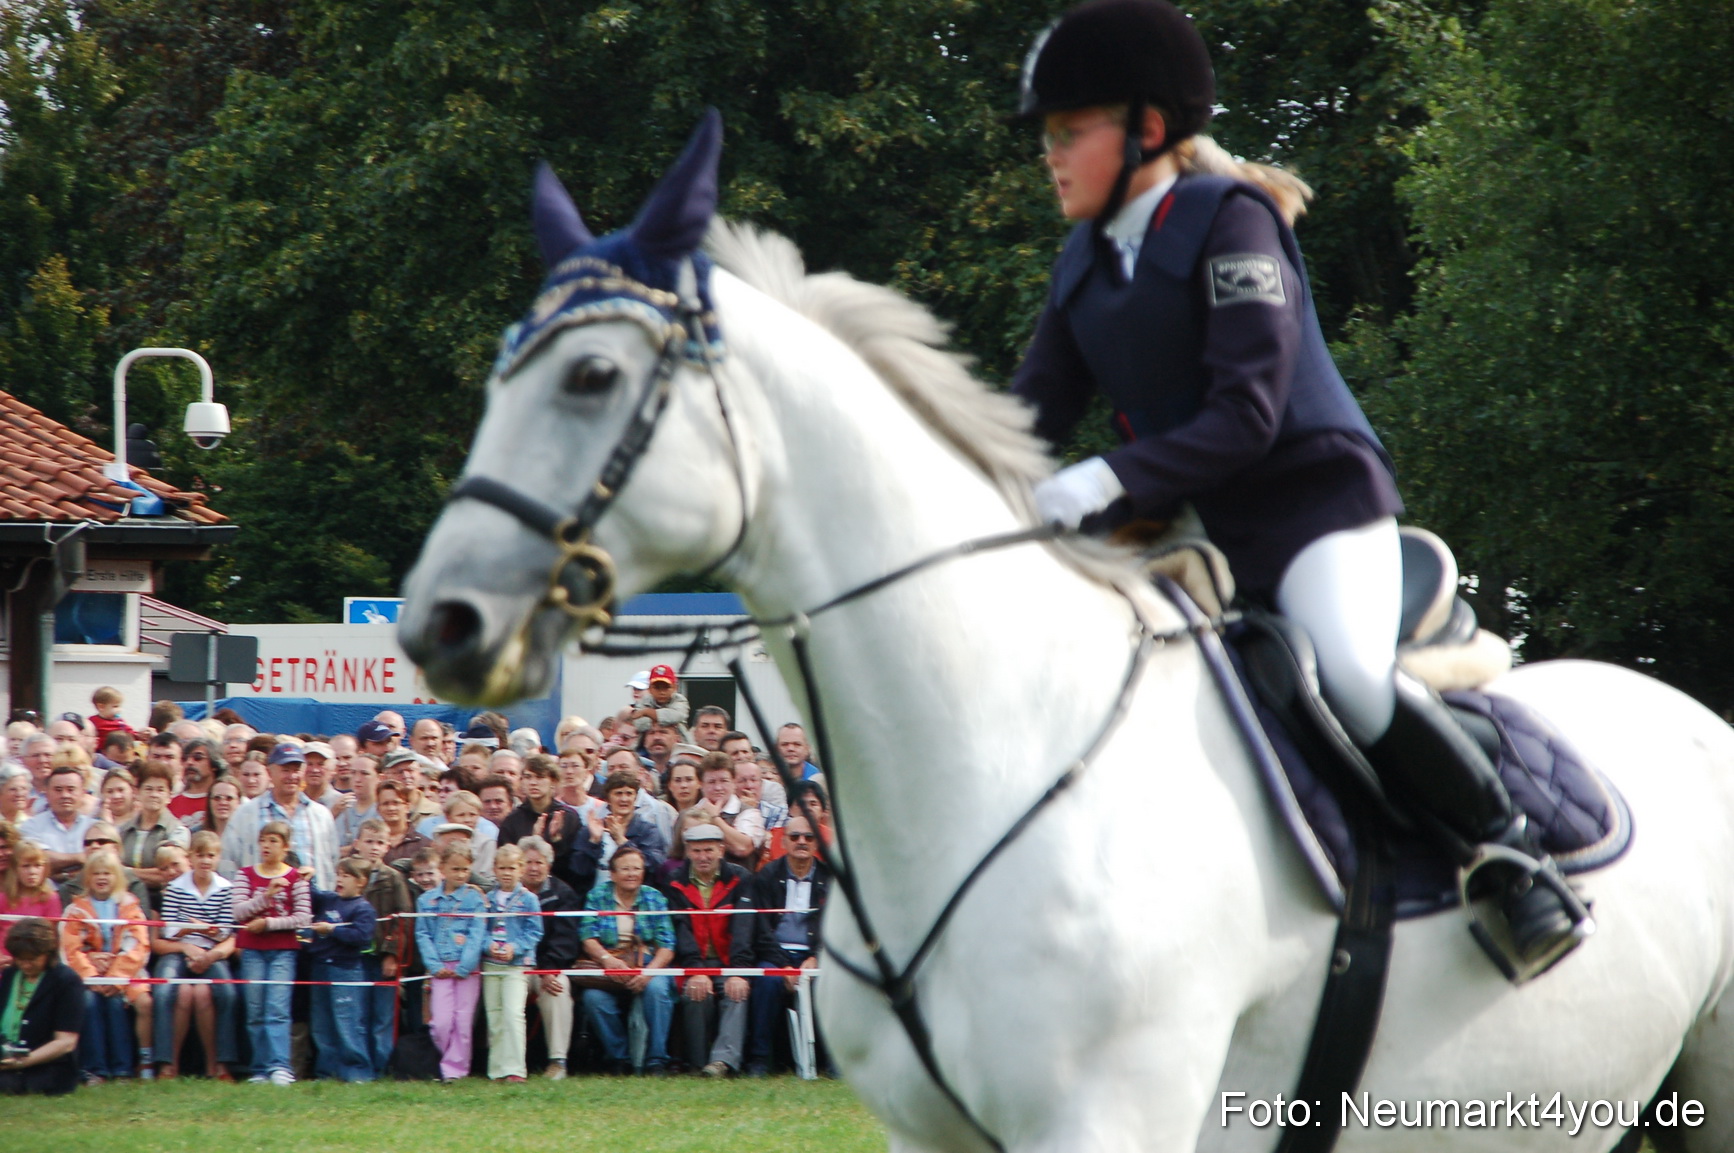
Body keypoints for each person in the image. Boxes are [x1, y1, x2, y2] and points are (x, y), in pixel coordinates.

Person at [1008, 0, 1584, 974]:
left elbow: (1246, 419)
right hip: (1198, 529)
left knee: (1351, 681)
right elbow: (1025, 418)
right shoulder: (1086, 261)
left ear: (1148, 130)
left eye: (1070, 133)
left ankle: (1514, 855)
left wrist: (1094, 481)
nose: (1050, 156)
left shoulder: (1231, 222)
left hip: (1315, 509)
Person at [664, 822, 755, 1076]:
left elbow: (744, 928)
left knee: (736, 991)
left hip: (729, 962)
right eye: (696, 851)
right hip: (693, 963)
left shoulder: (741, 879)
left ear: (721, 850)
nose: (703, 857)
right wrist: (695, 970)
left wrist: (739, 971)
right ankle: (698, 1063)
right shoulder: (673, 882)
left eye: (709, 850)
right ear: (687, 852)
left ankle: (721, 1062)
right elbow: (679, 928)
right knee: (696, 993)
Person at [578, 843, 676, 1075]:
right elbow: (587, 936)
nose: (632, 874)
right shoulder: (597, 896)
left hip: (648, 964)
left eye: (637, 869)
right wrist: (607, 961)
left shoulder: (655, 898)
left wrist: (649, 972)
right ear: (612, 874)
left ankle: (656, 1060)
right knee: (593, 998)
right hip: (610, 964)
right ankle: (619, 1058)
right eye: (625, 869)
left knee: (659, 990)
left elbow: (668, 944)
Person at [747, 812, 830, 1076]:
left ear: (817, 843)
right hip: (776, 955)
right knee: (767, 982)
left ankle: (832, 1062)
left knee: (831, 985)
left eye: (808, 837)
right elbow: (760, 930)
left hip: (815, 956)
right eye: (794, 837)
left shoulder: (830, 879)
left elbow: (837, 929)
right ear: (783, 842)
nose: (802, 842)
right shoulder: (766, 876)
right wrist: (784, 966)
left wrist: (817, 957)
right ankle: (759, 1060)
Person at [61, 850, 153, 1082]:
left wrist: (116, 976)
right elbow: (71, 949)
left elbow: (138, 944)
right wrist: (92, 977)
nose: (102, 878)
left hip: (124, 974)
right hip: (88, 978)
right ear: (87, 878)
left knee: (115, 1004)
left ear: (118, 877)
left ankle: (123, 1068)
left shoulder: (131, 907)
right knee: (90, 1004)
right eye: (96, 873)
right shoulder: (75, 910)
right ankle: (95, 1069)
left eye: (108, 873)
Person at [153, 830, 237, 1080]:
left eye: (210, 856)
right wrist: (194, 929)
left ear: (218, 858)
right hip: (179, 950)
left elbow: (223, 932)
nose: (205, 861)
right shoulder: (175, 888)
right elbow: (168, 930)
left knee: (228, 993)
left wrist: (197, 928)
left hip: (211, 952)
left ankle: (223, 1064)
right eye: (200, 855)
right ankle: (165, 1064)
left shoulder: (225, 888)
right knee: (163, 991)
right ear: (191, 857)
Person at [233, 820, 311, 1084]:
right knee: (255, 1009)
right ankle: (259, 1067)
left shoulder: (295, 878)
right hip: (252, 950)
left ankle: (280, 1066)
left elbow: (302, 918)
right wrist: (265, 897)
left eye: (274, 841)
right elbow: (238, 912)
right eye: (264, 840)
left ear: (286, 847)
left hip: (283, 951)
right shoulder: (245, 874)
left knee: (277, 1008)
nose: (266, 846)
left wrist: (269, 924)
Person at [346, 818, 414, 1076]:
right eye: (369, 841)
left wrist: (391, 954)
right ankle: (360, 1069)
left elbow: (403, 919)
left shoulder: (394, 878)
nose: (374, 847)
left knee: (383, 1017)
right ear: (357, 844)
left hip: (382, 957)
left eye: (379, 842)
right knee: (356, 1014)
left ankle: (384, 1066)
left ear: (388, 846)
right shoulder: (346, 874)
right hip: (353, 956)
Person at [223, 743, 339, 890]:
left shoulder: (321, 815)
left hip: (312, 904)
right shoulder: (245, 814)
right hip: (261, 905)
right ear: (270, 773)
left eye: (296, 770)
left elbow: (332, 862)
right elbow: (228, 863)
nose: (292, 776)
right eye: (285, 770)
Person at [415, 844, 486, 1081]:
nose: (460, 874)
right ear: (442, 868)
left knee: (463, 1020)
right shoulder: (427, 900)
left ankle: (455, 1069)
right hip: (440, 969)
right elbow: (422, 934)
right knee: (442, 1021)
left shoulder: (475, 899)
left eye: (465, 869)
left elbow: (477, 934)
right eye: (455, 869)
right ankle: (443, 1060)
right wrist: (434, 966)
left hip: (467, 969)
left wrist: (465, 966)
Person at [306, 857, 378, 1082]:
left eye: (346, 876)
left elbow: (361, 936)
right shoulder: (329, 899)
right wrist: (308, 879)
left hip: (346, 969)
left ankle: (357, 1072)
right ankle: (327, 1072)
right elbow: (312, 895)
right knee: (321, 1023)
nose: (340, 879)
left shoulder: (363, 908)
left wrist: (332, 930)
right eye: (338, 874)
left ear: (361, 882)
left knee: (348, 1022)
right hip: (320, 968)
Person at [517, 835, 581, 1079]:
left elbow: (566, 939)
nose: (533, 868)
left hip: (547, 966)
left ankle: (557, 1061)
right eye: (527, 862)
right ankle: (503, 1061)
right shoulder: (505, 893)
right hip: (513, 965)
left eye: (539, 862)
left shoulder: (563, 893)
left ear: (549, 865)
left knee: (558, 988)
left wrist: (547, 969)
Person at [0, 917, 84, 1095]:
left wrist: (22, 1062)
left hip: (47, 1068)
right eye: (20, 959)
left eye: (32, 959)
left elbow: (66, 1042)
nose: (25, 965)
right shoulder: (9, 974)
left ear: (49, 953)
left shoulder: (67, 981)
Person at [481, 843, 541, 1082]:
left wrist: (515, 948)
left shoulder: (529, 899)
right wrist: (489, 946)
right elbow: (479, 929)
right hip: (490, 964)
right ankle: (496, 1069)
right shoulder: (487, 899)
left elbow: (535, 932)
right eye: (502, 868)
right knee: (494, 1015)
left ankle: (515, 1069)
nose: (507, 873)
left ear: (521, 869)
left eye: (512, 868)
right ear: (494, 869)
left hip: (517, 965)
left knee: (513, 1013)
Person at [573, 771, 668, 897]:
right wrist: (594, 841)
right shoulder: (591, 828)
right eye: (618, 793)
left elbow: (655, 865)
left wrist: (622, 841)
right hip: (597, 899)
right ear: (608, 799)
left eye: (629, 793)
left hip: (638, 899)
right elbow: (578, 870)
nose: (624, 799)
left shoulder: (647, 830)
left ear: (635, 798)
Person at [118, 762, 190, 892]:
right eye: (148, 789)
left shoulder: (178, 831)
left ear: (169, 796)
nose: (154, 794)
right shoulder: (123, 830)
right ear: (137, 792)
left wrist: (126, 872)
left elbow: (168, 874)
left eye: (160, 790)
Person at [20, 765, 96, 882]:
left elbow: (102, 862)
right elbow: (37, 860)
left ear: (83, 793)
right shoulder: (31, 826)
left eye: (71, 789)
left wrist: (59, 868)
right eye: (58, 790)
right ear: (47, 794)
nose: (65, 795)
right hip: (45, 896)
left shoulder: (95, 827)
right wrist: (79, 858)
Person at [0, 842, 62, 966]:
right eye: (26, 866)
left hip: (35, 962)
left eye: (37, 865)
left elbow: (51, 939)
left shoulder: (51, 899)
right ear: (15, 869)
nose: (32, 871)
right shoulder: (3, 898)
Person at [699, 753, 765, 868]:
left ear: (733, 782)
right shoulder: (689, 813)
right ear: (701, 784)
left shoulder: (749, 812)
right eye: (711, 782)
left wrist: (715, 818)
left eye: (724, 781)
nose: (718, 787)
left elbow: (743, 847)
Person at [374, 780, 432, 868]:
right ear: (378, 809)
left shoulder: (423, 844)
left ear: (407, 807)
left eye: (396, 803)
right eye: (385, 804)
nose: (391, 808)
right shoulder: (369, 841)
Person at [332, 753, 381, 848]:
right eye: (353, 773)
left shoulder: (384, 810)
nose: (357, 779)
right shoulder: (339, 806)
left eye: (364, 774)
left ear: (380, 778)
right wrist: (332, 814)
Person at [168, 738, 220, 822]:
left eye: (197, 757)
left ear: (214, 764)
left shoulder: (224, 801)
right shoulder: (170, 804)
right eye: (185, 758)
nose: (189, 762)